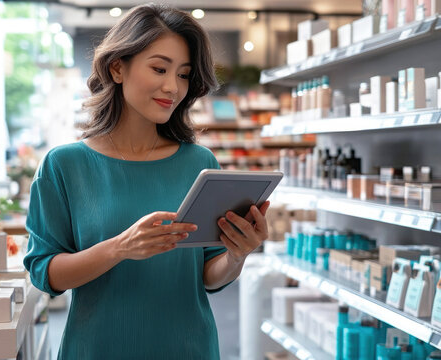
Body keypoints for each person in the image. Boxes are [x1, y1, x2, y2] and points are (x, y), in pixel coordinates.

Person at [24, 4, 270, 359]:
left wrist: (237, 254)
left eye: (184, 75)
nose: (173, 87)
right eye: (159, 68)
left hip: (189, 348)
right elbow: (45, 273)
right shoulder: (64, 165)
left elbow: (209, 275)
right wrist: (121, 247)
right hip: (97, 349)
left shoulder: (200, 164)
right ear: (117, 67)